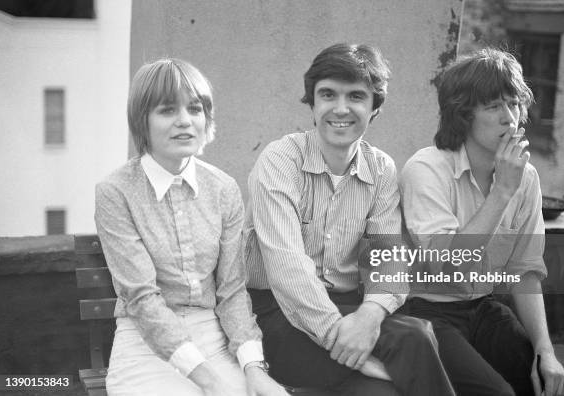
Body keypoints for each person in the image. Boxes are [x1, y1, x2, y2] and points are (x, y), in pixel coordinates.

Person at [244, 43, 455, 396]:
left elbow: (387, 261)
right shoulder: (280, 161)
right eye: (328, 94)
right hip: (275, 315)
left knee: (416, 336)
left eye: (356, 96)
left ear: (375, 109)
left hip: (347, 308)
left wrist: (371, 316)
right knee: (391, 378)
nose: (340, 109)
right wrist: (348, 347)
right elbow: (287, 268)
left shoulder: (381, 169)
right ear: (312, 103)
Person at [95, 58, 288, 396]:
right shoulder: (115, 192)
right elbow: (142, 299)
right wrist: (211, 383)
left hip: (213, 338)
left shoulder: (223, 188)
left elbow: (231, 292)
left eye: (195, 109)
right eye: (167, 110)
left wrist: (253, 368)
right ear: (143, 120)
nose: (184, 121)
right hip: (144, 344)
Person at [399, 48, 564, 396]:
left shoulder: (525, 177)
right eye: (493, 106)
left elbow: (525, 269)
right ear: (463, 114)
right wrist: (501, 193)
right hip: (424, 311)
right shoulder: (426, 169)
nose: (509, 118)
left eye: (513, 104)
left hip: (483, 307)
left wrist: (545, 349)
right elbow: (448, 265)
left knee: (562, 387)